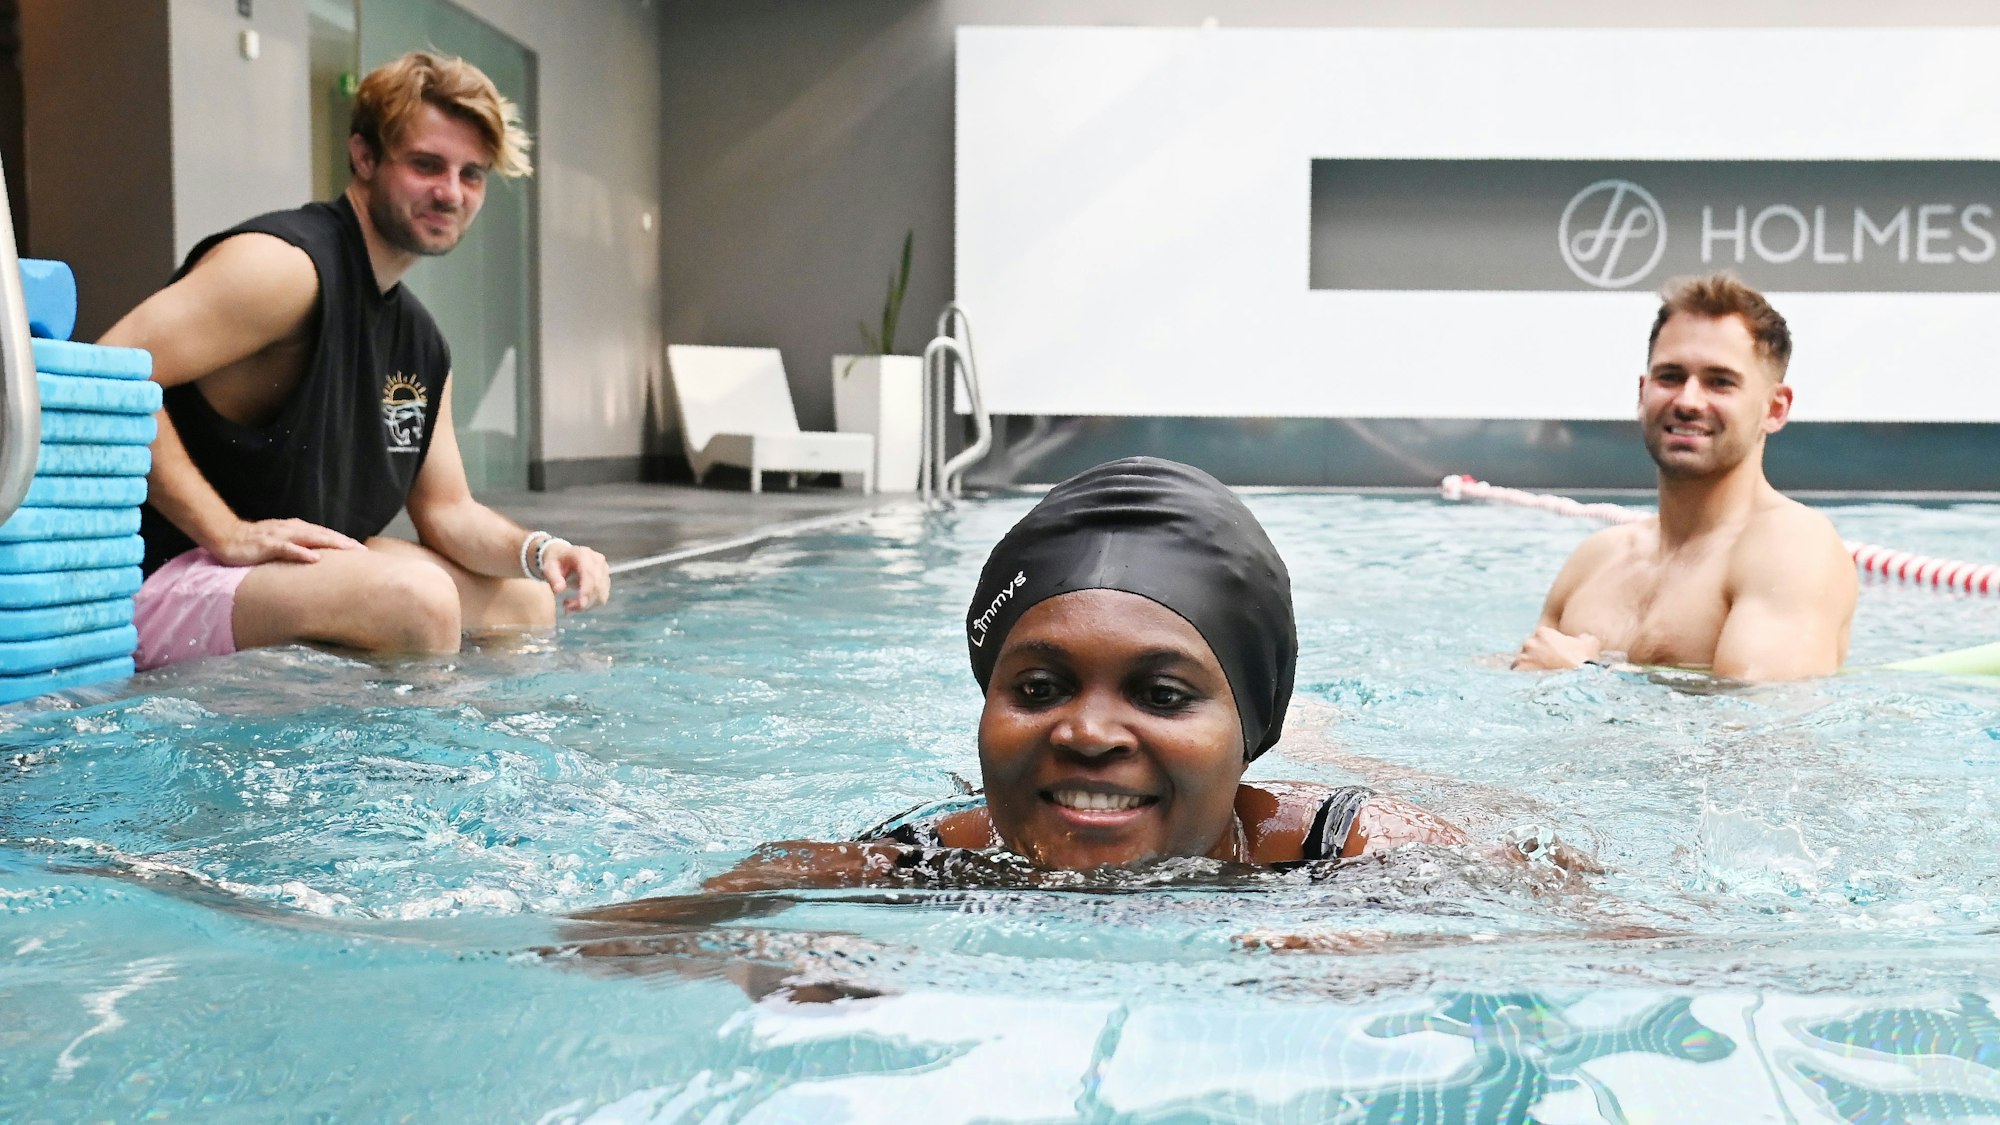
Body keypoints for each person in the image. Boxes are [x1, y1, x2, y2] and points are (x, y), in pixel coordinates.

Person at [595, 457, 1464, 904]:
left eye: (1162, 694)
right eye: (1040, 688)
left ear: (1250, 730)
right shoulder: (927, 856)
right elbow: (689, 917)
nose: (1086, 733)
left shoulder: (1347, 851)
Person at [100, 52, 610, 671]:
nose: (450, 193)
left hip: (290, 571)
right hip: (166, 575)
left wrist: (541, 549)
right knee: (418, 601)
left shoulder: (420, 343)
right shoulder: (283, 268)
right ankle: (407, 767)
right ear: (365, 157)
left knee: (525, 604)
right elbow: (105, 371)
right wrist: (226, 531)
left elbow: (447, 511)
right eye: (427, 165)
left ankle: (471, 750)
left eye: (471, 174)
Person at [1514, 273, 1857, 681]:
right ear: (1643, 393)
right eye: (1671, 377)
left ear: (1775, 408)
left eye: (1719, 382)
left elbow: (1761, 729)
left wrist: (1587, 676)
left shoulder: (1791, 546)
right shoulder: (1596, 559)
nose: (1688, 401)